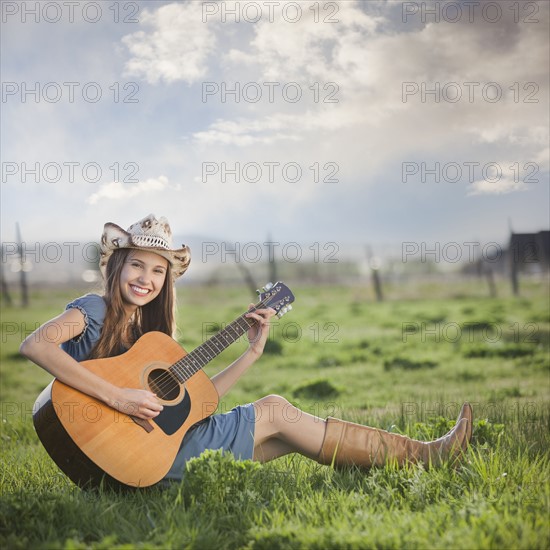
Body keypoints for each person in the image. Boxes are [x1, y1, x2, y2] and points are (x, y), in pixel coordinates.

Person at [20, 214, 473, 483]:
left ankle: (419, 461)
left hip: (148, 450)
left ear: (166, 282)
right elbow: (36, 344)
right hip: (122, 450)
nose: (146, 278)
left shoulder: (150, 335)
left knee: (284, 429)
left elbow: (196, 400)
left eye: (158, 272)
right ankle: (426, 457)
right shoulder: (94, 308)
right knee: (276, 413)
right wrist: (119, 397)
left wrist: (251, 353)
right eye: (136, 265)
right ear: (117, 266)